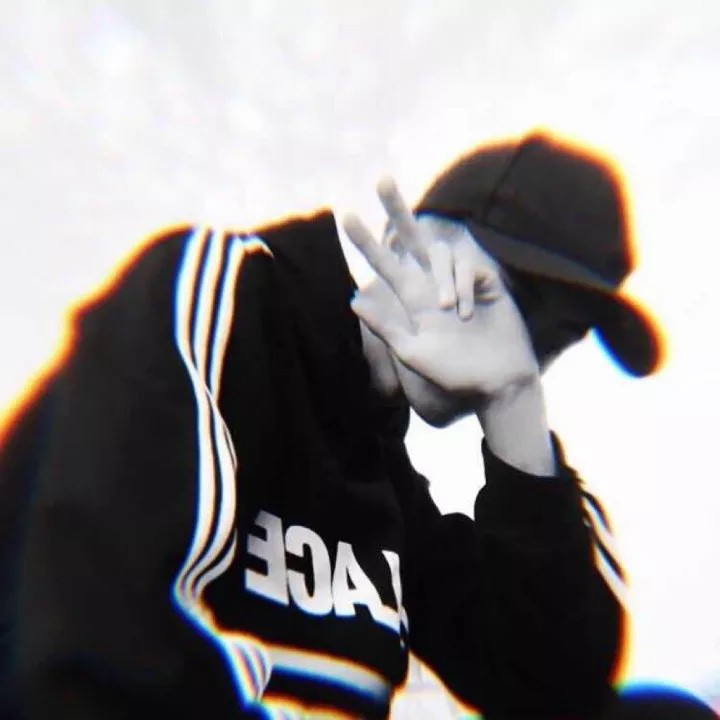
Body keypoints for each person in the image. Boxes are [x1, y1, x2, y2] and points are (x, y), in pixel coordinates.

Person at [0, 130, 661, 719]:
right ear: (400, 243)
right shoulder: (231, 300)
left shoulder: (389, 487)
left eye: (550, 339)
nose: (513, 347)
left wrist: (516, 402)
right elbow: (97, 662)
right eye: (503, 295)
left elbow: (555, 693)